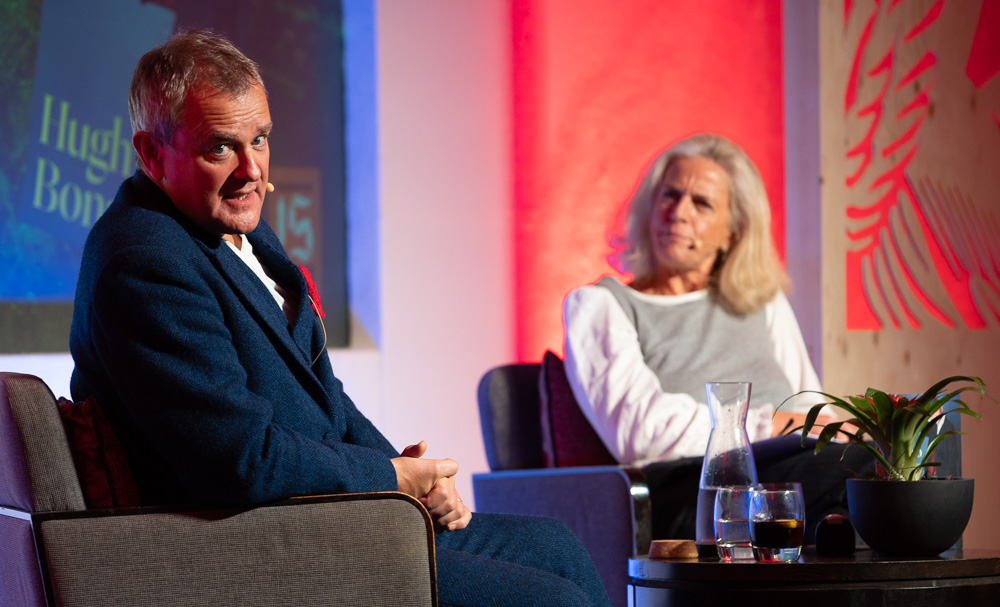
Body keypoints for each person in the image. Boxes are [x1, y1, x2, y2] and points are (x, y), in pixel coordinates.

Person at [69, 31, 610, 607]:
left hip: (323, 514)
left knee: (558, 546)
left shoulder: (229, 224)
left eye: (261, 139)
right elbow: (240, 461)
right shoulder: (145, 263)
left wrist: (411, 475)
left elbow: (324, 396)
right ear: (153, 154)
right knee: (551, 596)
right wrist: (392, 483)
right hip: (253, 548)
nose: (251, 170)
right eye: (219, 148)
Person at [562, 133, 870, 541]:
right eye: (670, 195)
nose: (678, 213)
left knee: (889, 473)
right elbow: (643, 433)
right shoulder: (601, 305)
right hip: (694, 487)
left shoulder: (762, 301)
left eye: (701, 203)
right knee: (859, 477)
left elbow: (807, 404)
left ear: (732, 232)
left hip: (788, 475)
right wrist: (773, 425)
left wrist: (847, 428)